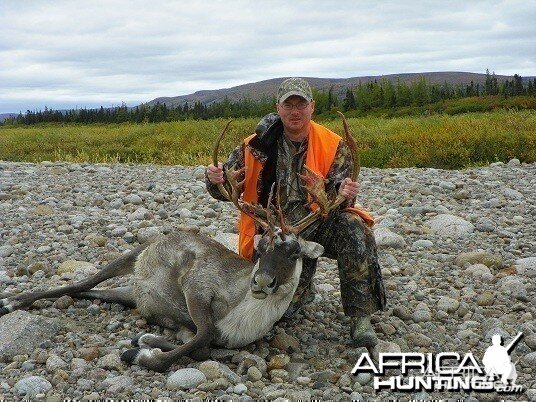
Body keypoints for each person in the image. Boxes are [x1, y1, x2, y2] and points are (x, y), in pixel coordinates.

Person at [206, 77, 386, 347]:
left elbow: (341, 195)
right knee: (282, 314)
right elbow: (223, 191)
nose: (294, 111)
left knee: (354, 226)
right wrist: (216, 179)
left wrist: (345, 193)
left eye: (300, 104)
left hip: (316, 223)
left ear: (312, 107)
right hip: (272, 234)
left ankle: (360, 318)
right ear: (277, 107)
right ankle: (304, 290)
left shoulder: (333, 145)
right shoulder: (254, 146)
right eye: (288, 104)